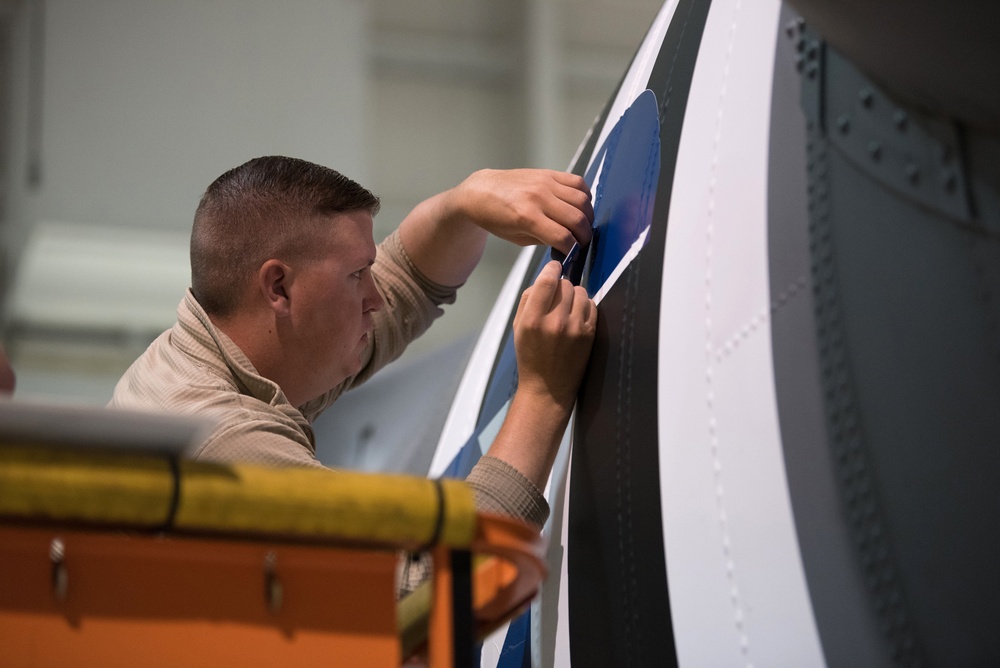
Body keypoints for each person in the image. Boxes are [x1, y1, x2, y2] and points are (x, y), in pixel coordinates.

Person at [110, 155, 596, 535]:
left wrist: (464, 204)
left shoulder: (210, 347)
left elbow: (404, 279)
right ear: (278, 288)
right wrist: (542, 394)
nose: (375, 295)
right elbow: (429, 582)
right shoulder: (226, 442)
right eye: (356, 275)